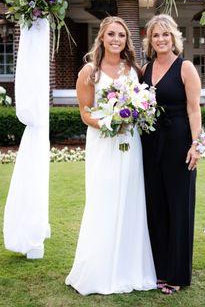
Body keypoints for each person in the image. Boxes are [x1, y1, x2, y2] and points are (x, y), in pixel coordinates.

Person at [65, 16, 156, 295]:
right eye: (111, 35)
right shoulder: (89, 71)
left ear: (127, 40)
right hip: (104, 143)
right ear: (102, 38)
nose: (116, 39)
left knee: (130, 199)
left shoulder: (133, 69)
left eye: (121, 35)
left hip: (130, 143)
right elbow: (85, 112)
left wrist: (135, 115)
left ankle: (130, 268)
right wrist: (111, 122)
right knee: (103, 199)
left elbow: (144, 100)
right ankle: (98, 269)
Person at [141, 14, 202, 294]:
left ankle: (177, 274)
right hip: (151, 145)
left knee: (179, 208)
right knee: (157, 207)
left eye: (165, 34)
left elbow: (194, 109)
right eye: (156, 35)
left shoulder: (185, 67)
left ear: (174, 37)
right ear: (149, 40)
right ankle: (160, 269)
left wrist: (196, 145)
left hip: (179, 144)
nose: (161, 39)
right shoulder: (145, 69)